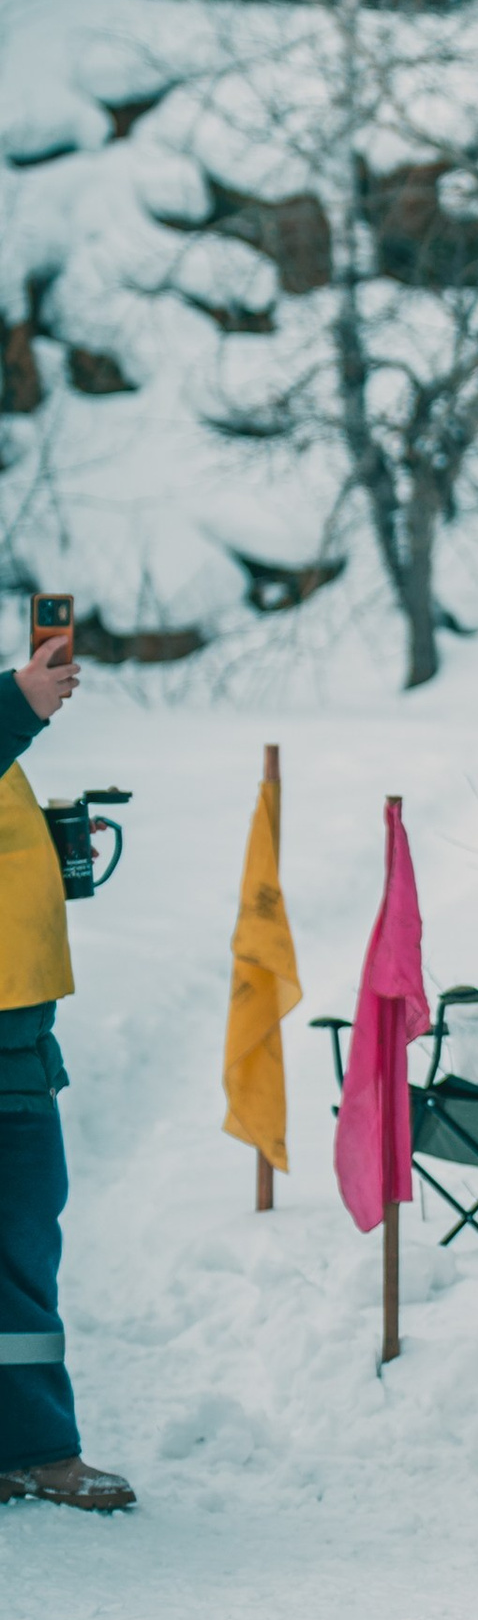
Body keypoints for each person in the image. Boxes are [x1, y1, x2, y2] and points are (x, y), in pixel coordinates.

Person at [0, 632, 132, 1514]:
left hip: (17, 1026)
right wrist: (17, 704)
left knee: (21, 1247)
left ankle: (40, 1449)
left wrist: (49, 849)